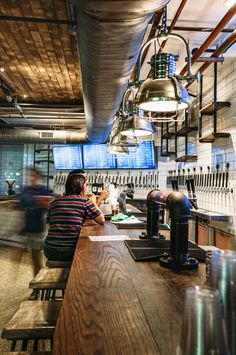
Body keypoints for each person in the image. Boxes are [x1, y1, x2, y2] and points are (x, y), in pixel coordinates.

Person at [43, 173, 105, 262]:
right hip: (71, 251)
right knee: (95, 251)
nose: (86, 188)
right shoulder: (85, 202)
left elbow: (50, 225)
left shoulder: (54, 202)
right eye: (86, 185)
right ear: (81, 187)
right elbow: (102, 220)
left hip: (50, 250)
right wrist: (93, 200)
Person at [21, 167, 53, 300]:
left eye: (33, 175)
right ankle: (38, 286)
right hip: (29, 229)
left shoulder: (43, 189)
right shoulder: (26, 190)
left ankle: (40, 287)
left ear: (38, 177)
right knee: (35, 260)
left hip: (40, 229)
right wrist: (39, 201)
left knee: (41, 260)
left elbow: (50, 203)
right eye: (30, 176)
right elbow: (24, 201)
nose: (31, 178)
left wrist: (38, 201)